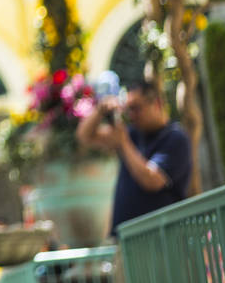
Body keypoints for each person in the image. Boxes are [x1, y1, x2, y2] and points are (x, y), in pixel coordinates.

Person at [75, 78, 191, 235]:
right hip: (127, 237)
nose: (131, 116)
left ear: (157, 104)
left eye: (136, 108)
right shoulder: (132, 134)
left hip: (161, 236)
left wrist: (123, 143)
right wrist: (100, 110)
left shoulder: (175, 138)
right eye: (128, 109)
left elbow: (152, 180)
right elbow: (84, 136)